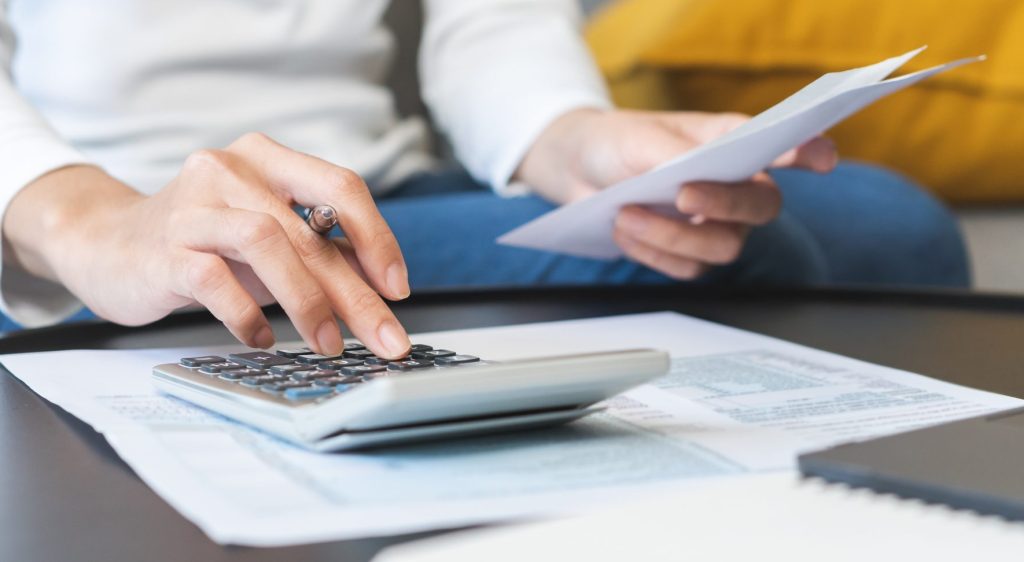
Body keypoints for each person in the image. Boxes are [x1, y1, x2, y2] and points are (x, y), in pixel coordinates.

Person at [0, 1, 968, 359]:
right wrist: (79, 218)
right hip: (95, 194)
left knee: (892, 225)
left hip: (366, 186)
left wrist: (571, 135)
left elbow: (489, 26)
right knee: (731, 260)